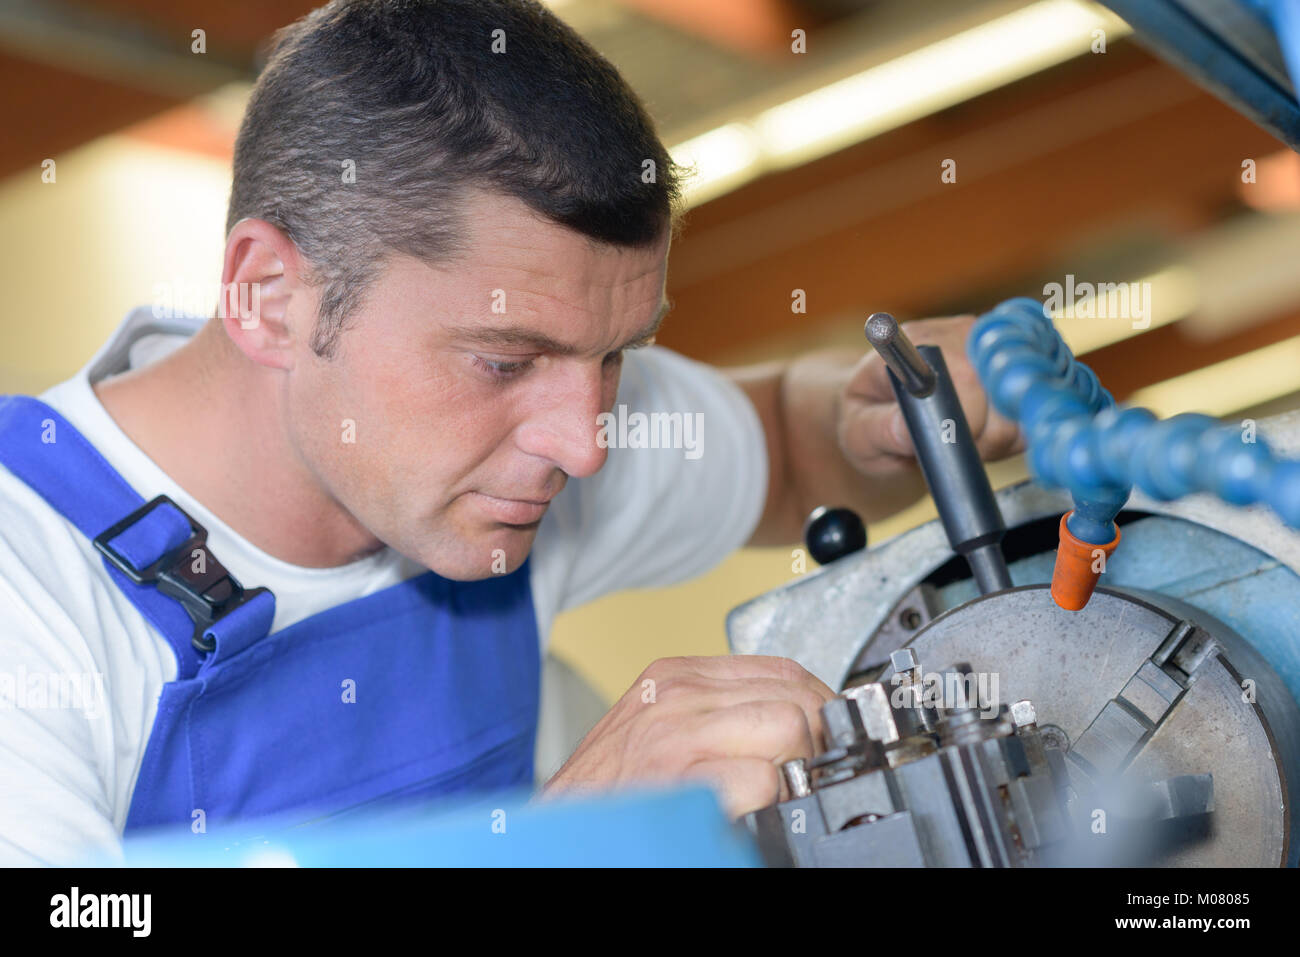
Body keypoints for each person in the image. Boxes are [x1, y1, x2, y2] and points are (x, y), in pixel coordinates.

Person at [0, 0, 1020, 865]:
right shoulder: (28, 592)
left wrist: (895, 416)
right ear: (271, 297)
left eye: (617, 353)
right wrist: (569, 840)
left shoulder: (535, 422)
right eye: (501, 361)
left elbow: (796, 452)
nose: (584, 448)